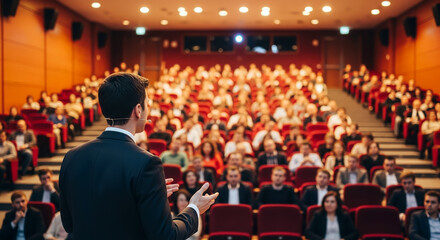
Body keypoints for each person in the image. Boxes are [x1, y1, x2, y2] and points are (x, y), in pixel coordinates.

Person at [59, 73, 218, 239]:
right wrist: (193, 209)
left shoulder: (72, 157)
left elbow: (69, 223)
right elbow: (165, 236)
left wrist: (148, 193)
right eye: (147, 104)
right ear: (138, 110)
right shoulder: (147, 163)